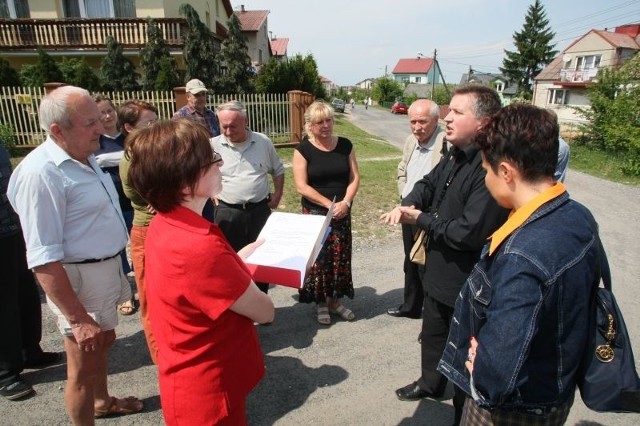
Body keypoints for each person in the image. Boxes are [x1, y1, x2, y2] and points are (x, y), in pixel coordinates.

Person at [438, 104, 600, 424]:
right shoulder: (577, 215)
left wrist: (478, 368)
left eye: (487, 170)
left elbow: (496, 373)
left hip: (513, 410)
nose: (486, 179)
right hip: (555, 390)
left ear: (507, 172)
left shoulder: (521, 255)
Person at [7, 86, 143, 424]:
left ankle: (102, 402)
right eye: (89, 123)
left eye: (98, 119)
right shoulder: (41, 173)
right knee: (81, 368)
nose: (100, 128)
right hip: (78, 279)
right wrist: (78, 318)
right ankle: (90, 407)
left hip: (105, 269)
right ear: (57, 130)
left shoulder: (85, 154)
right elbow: (42, 256)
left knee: (106, 339)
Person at [126, 118, 274, 425]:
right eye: (212, 160)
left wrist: (235, 261)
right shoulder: (198, 246)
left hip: (189, 383)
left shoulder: (164, 224)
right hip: (209, 396)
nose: (220, 164)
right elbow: (265, 312)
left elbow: (198, 283)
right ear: (183, 182)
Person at [380, 84, 508, 425]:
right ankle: (430, 383)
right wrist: (412, 201)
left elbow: (468, 233)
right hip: (437, 271)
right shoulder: (454, 153)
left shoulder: (490, 167)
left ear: (484, 122)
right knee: (433, 333)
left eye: (457, 112)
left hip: (467, 281)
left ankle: (462, 412)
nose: (447, 119)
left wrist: (420, 218)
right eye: (448, 111)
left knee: (466, 354)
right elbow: (428, 184)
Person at [0, 145, 63, 401]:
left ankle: (29, 350)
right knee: (3, 305)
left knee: (25, 293)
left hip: (13, 229)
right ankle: (6, 374)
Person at [292, 100, 360, 325]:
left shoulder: (345, 145)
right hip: (315, 213)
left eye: (329, 120)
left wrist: (346, 203)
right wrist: (329, 205)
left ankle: (335, 301)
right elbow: (302, 186)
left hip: (342, 211)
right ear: (310, 125)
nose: (326, 125)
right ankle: (321, 302)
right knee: (320, 259)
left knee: (340, 257)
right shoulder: (303, 150)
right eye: (319, 122)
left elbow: (354, 178)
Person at [211, 100, 285, 294]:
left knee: (260, 259)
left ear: (246, 121)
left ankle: (261, 302)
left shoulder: (263, 142)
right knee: (231, 261)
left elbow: (277, 170)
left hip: (259, 211)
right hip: (227, 212)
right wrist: (211, 193)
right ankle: (238, 306)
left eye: (232, 126)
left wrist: (277, 194)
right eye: (223, 126)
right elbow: (201, 173)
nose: (227, 131)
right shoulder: (213, 145)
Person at [387, 99, 446, 319]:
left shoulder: (445, 143)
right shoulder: (411, 141)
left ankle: (433, 316)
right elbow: (402, 168)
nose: (417, 127)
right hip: (407, 208)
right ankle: (411, 307)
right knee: (410, 259)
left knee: (429, 264)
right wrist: (404, 193)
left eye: (422, 122)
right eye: (413, 121)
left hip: (430, 212)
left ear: (436, 121)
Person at [117, 99, 160, 363]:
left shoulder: (153, 150)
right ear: (129, 128)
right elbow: (130, 190)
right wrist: (150, 200)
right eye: (149, 123)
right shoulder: (130, 157)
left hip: (164, 225)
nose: (156, 127)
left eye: (157, 121)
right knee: (151, 299)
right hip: (147, 230)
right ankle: (161, 356)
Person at [93, 94, 136, 316]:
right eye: (102, 112)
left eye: (110, 110)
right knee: (117, 250)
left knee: (140, 247)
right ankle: (125, 295)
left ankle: (147, 288)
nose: (108, 116)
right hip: (109, 205)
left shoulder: (127, 137)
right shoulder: (94, 141)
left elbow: (139, 154)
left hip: (135, 203)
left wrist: (106, 160)